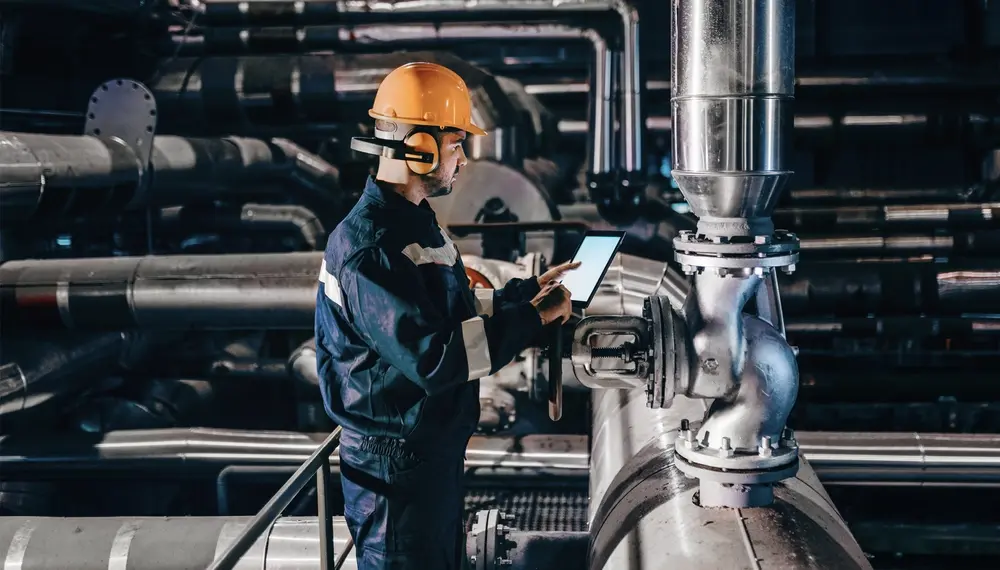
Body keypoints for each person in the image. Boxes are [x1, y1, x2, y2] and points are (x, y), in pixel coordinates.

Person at [314, 61, 579, 570]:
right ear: (421, 149)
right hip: (394, 468)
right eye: (457, 144)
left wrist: (522, 297)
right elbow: (435, 357)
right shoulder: (372, 249)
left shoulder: (413, 223)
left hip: (424, 451)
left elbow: (452, 309)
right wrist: (532, 322)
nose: (461, 160)